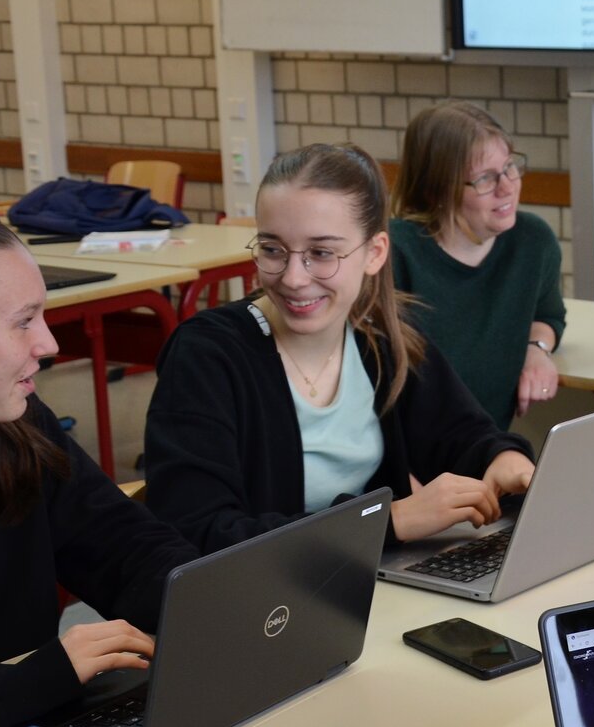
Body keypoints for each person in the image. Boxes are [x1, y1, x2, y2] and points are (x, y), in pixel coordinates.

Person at [0, 200, 197, 727]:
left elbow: (124, 547)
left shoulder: (17, 426)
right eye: (23, 321)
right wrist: (40, 679)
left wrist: (205, 609)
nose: (48, 344)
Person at [145, 143, 535, 554]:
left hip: (368, 587)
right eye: (272, 249)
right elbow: (197, 531)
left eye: (321, 253)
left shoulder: (380, 341)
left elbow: (462, 435)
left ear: (375, 253)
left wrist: (502, 460)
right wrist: (389, 521)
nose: (294, 277)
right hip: (263, 608)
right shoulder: (207, 356)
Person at [389, 101, 567, 430]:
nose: (507, 186)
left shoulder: (532, 241)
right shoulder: (392, 253)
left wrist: (536, 348)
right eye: (485, 178)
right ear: (436, 189)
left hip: (484, 452)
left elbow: (548, 314)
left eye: (510, 167)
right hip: (407, 461)